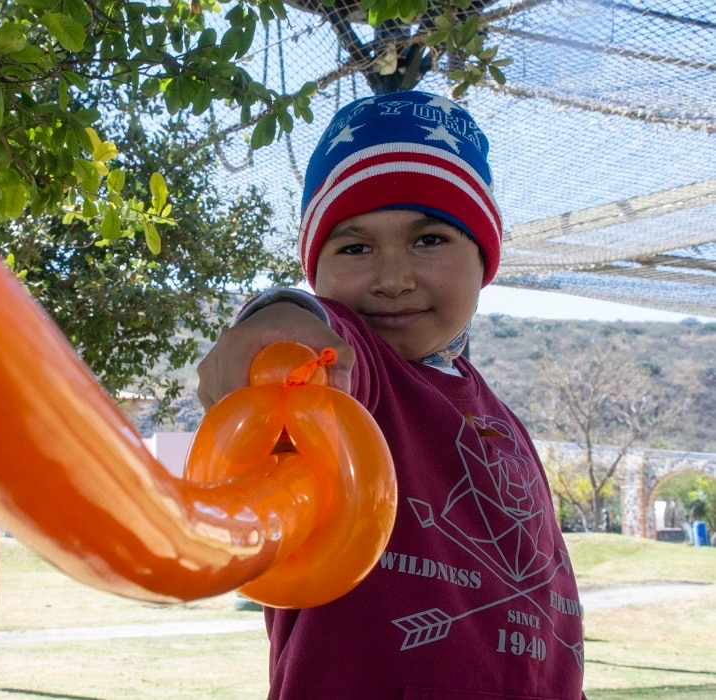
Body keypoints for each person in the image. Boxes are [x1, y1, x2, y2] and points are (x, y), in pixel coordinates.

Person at [197, 91, 586, 699]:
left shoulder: (501, 418)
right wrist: (282, 331)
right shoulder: (355, 382)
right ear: (317, 272)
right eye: (354, 247)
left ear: (484, 258)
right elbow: (323, 336)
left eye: (429, 240)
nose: (392, 279)